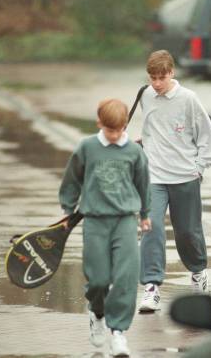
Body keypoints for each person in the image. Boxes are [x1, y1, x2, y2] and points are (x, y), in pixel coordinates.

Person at [59, 98, 151, 357]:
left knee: (126, 277)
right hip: (95, 220)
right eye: (110, 130)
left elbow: (143, 182)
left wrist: (145, 213)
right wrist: (68, 210)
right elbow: (72, 179)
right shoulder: (87, 147)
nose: (114, 135)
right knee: (98, 279)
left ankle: (119, 332)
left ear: (124, 126)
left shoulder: (133, 151)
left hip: (124, 219)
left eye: (119, 130)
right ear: (99, 123)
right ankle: (97, 313)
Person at [137, 50, 211, 312]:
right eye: (153, 78)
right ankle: (151, 287)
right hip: (154, 175)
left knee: (187, 232)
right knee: (151, 228)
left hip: (185, 175)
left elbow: (207, 134)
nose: (157, 83)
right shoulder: (145, 95)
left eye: (162, 77)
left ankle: (198, 272)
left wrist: (199, 167)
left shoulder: (188, 99)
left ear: (172, 72)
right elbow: (150, 129)